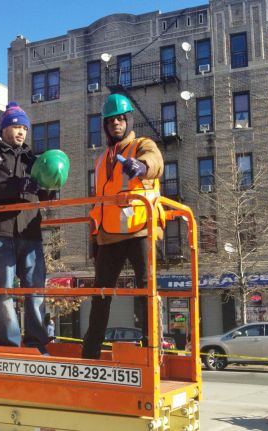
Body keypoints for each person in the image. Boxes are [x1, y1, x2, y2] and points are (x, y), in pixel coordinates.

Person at [82, 94, 166, 360]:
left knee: (145, 290)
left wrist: (141, 166)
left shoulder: (142, 144)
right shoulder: (100, 160)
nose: (116, 123)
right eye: (111, 120)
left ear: (129, 120)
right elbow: (99, 205)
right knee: (100, 294)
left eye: (121, 118)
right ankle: (91, 352)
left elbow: (156, 161)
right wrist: (94, 240)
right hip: (108, 236)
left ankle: (151, 349)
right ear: (105, 125)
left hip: (140, 228)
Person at [0, 101, 51, 354]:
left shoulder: (32, 159)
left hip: (30, 233)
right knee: (4, 293)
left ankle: (38, 344)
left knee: (35, 291)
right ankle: (10, 348)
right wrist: (18, 186)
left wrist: (50, 184)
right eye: (16, 126)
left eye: (24, 128)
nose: (21, 132)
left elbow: (45, 196)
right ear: (4, 128)